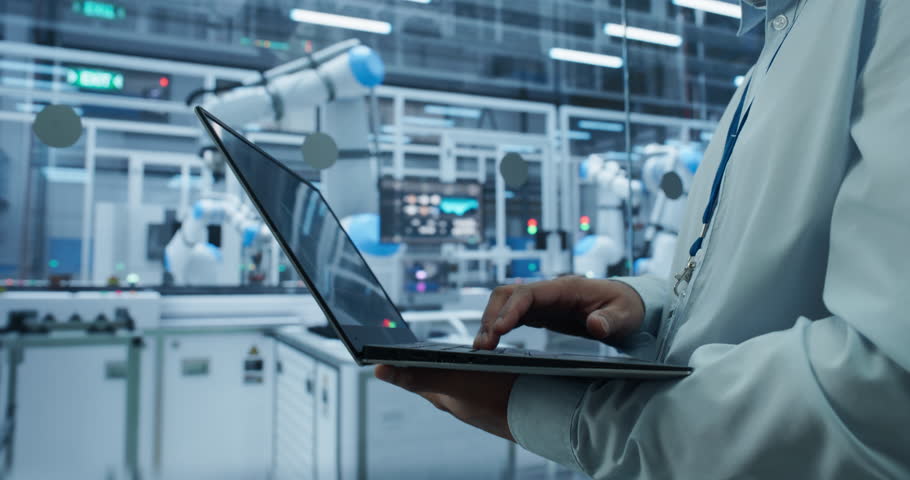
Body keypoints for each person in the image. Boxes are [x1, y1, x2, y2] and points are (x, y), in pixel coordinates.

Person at [375, 0, 910, 477]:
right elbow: (780, 283)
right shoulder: (779, 46)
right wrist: (647, 306)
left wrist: (570, 418)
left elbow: (885, 396)